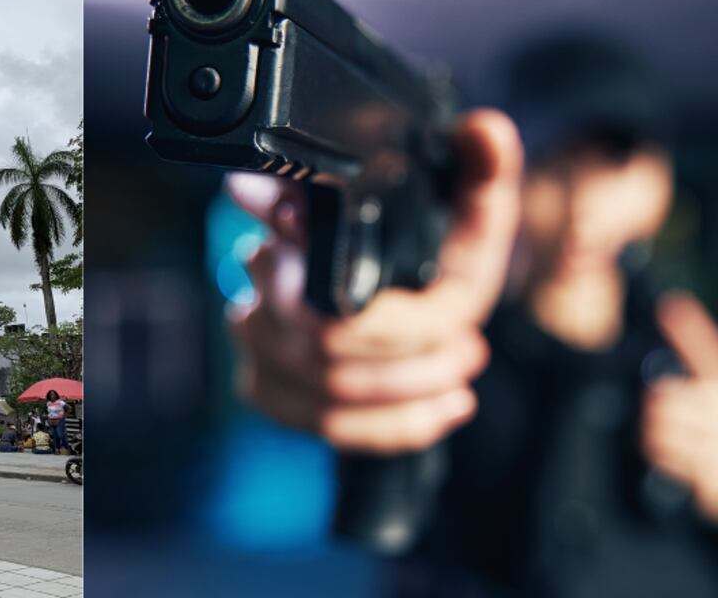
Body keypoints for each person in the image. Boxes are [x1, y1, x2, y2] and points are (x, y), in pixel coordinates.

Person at [231, 33, 718, 596]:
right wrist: (332, 333)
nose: (583, 209)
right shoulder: (440, 337)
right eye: (554, 169)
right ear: (505, 181)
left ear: (657, 182)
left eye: (612, 166)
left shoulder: (694, 355)